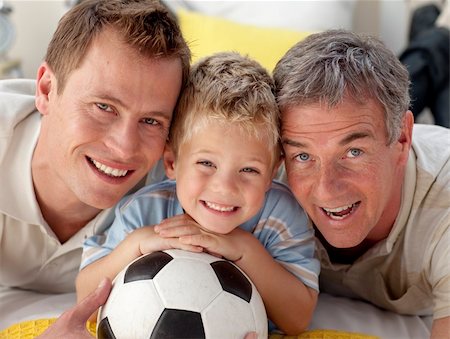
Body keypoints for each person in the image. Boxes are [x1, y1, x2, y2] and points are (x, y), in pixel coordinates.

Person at [76, 51, 319, 335]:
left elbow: (298, 319)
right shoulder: (144, 212)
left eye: (249, 170)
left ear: (272, 172)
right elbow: (86, 301)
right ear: (172, 163)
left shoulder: (281, 215)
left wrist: (243, 249)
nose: (225, 187)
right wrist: (138, 244)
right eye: (206, 164)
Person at [0, 0, 190, 294]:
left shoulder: (181, 179)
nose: (125, 148)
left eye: (151, 121)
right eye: (104, 106)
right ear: (47, 89)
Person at [273, 29, 450, 338]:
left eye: (353, 152)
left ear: (403, 138)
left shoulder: (443, 210)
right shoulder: (258, 178)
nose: (327, 188)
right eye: (303, 155)